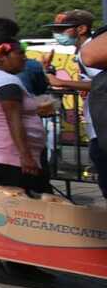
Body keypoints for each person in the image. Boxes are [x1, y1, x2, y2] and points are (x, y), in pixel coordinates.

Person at [0, 38, 54, 194]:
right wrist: (25, 156)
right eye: (20, 53)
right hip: (11, 157)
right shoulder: (5, 81)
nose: (25, 57)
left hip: (4, 154)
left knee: (17, 206)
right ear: (2, 57)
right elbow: (13, 119)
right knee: (35, 206)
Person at [43, 10, 103, 196]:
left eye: (63, 29)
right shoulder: (83, 51)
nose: (58, 34)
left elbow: (100, 83)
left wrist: (62, 82)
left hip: (100, 123)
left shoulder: (92, 52)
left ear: (82, 29)